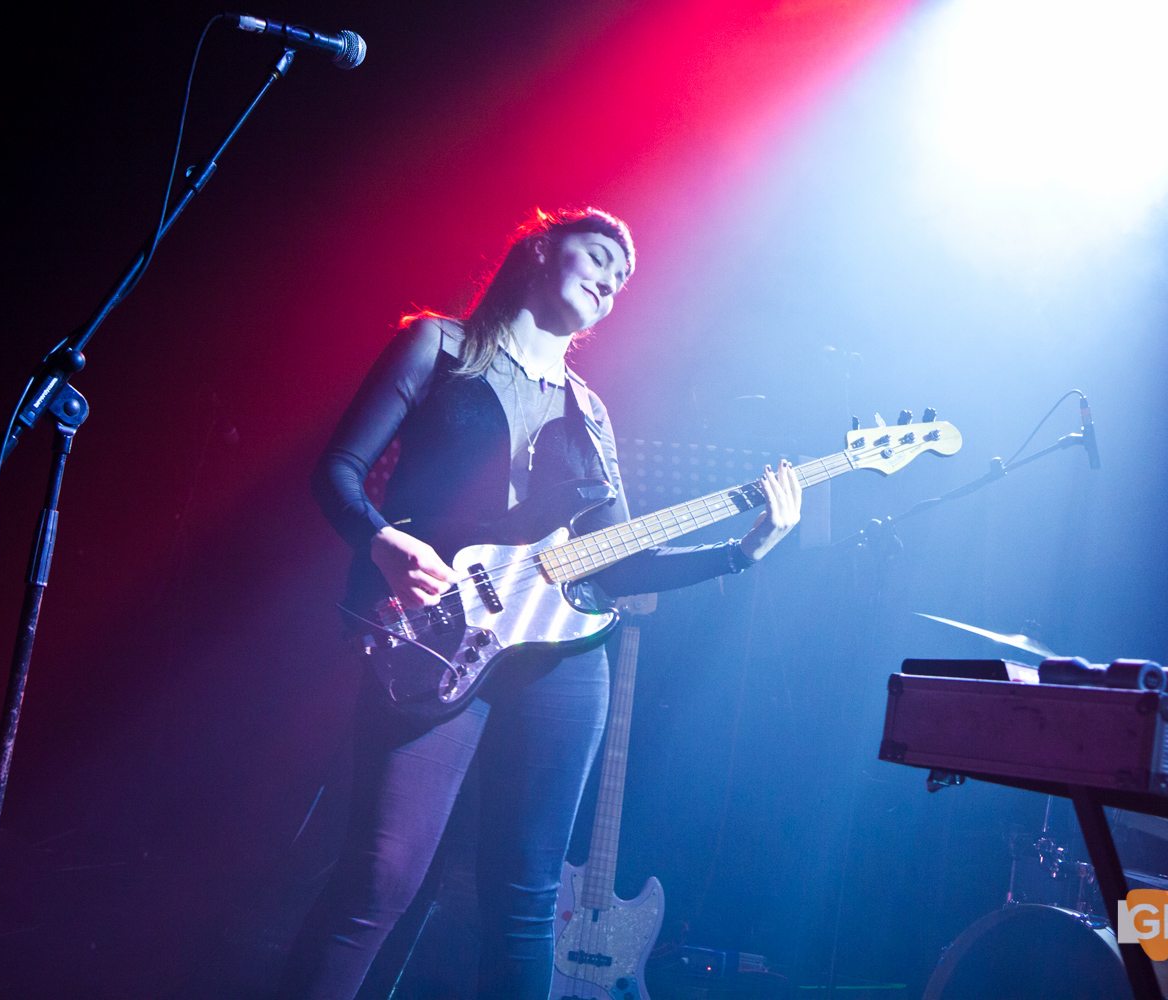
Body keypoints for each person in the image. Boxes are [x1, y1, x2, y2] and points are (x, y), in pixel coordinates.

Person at [281, 207, 802, 998]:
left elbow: (618, 563)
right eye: (598, 256)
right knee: (380, 877)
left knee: (529, 899)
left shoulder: (591, 414)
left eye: (622, 279)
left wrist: (739, 551)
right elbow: (339, 472)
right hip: (437, 631)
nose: (611, 282)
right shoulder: (439, 345)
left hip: (563, 657)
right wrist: (384, 543)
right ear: (539, 249)